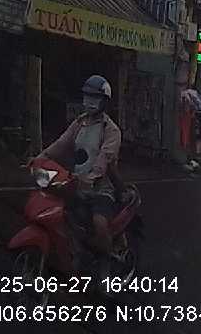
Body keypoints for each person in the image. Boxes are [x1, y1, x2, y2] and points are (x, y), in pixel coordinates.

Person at [37, 75, 122, 273]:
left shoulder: (111, 130)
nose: (89, 101)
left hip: (101, 189)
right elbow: (60, 144)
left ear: (104, 102)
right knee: (57, 214)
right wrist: (39, 158)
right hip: (75, 183)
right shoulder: (80, 123)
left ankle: (105, 266)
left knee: (99, 223)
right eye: (87, 96)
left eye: (95, 98)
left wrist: (90, 178)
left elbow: (104, 159)